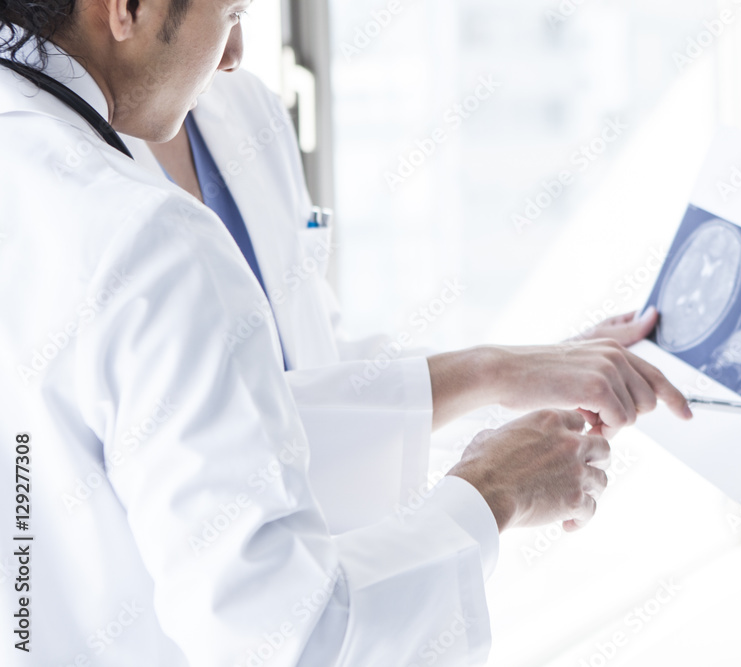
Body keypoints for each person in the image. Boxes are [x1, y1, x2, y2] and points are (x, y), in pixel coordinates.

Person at [0, 1, 689, 665]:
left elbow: (253, 393)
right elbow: (290, 642)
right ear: (126, 8)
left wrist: (505, 371)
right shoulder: (148, 234)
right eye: (233, 13)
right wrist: (490, 492)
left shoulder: (46, 151)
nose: (238, 54)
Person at [121, 63, 689, 532]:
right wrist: (495, 377)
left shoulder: (244, 105)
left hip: (323, 551)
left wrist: (548, 369)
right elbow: (224, 426)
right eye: (232, 14)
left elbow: (325, 361)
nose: (236, 52)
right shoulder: (83, 181)